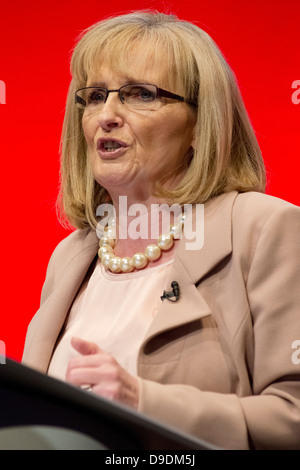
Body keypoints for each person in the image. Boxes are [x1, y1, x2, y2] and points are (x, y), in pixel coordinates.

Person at [22, 11, 300, 450]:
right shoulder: (72, 256)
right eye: (94, 96)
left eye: (139, 94)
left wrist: (143, 400)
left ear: (198, 123)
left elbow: (293, 417)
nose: (106, 116)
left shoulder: (265, 229)